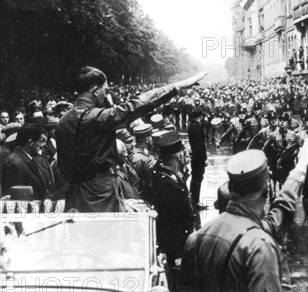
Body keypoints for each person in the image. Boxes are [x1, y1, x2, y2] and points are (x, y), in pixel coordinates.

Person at [55, 66, 207, 213]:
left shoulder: (62, 122)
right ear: (95, 91)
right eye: (105, 91)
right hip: (100, 195)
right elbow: (137, 105)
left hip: (73, 196)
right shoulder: (97, 118)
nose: (106, 95)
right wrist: (177, 87)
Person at [178, 139, 308, 292]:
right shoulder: (259, 247)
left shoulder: (197, 237)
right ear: (265, 190)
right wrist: (301, 166)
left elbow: (276, 217)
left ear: (231, 187)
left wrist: (299, 169)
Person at [150, 132, 194, 292]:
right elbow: (170, 223)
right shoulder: (167, 184)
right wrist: (177, 255)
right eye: (183, 153)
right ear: (178, 156)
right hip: (175, 248)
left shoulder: (169, 175)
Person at [1, 124, 55, 202]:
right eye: (40, 141)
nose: (43, 145)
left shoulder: (27, 159)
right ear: (30, 142)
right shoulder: (14, 163)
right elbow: (16, 199)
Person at [187, 107, 208, 210]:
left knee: (195, 178)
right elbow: (201, 144)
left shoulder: (191, 125)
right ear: (200, 116)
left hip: (195, 156)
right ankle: (196, 201)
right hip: (199, 156)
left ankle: (193, 200)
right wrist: (204, 158)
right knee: (198, 178)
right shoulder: (198, 126)